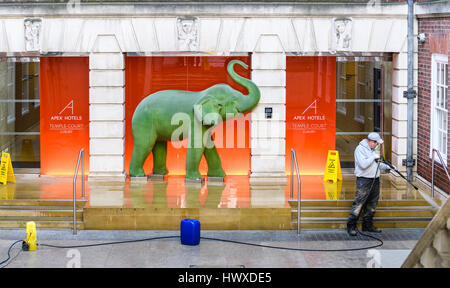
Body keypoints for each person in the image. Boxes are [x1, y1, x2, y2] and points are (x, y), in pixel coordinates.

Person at [346, 132, 391, 236]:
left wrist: (387, 166)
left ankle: (367, 225)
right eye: (375, 143)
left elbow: (376, 164)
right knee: (359, 203)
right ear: (369, 141)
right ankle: (351, 226)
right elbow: (363, 165)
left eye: (377, 143)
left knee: (372, 203)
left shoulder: (373, 150)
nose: (377, 145)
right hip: (364, 180)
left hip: (375, 179)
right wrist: (373, 157)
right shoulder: (360, 149)